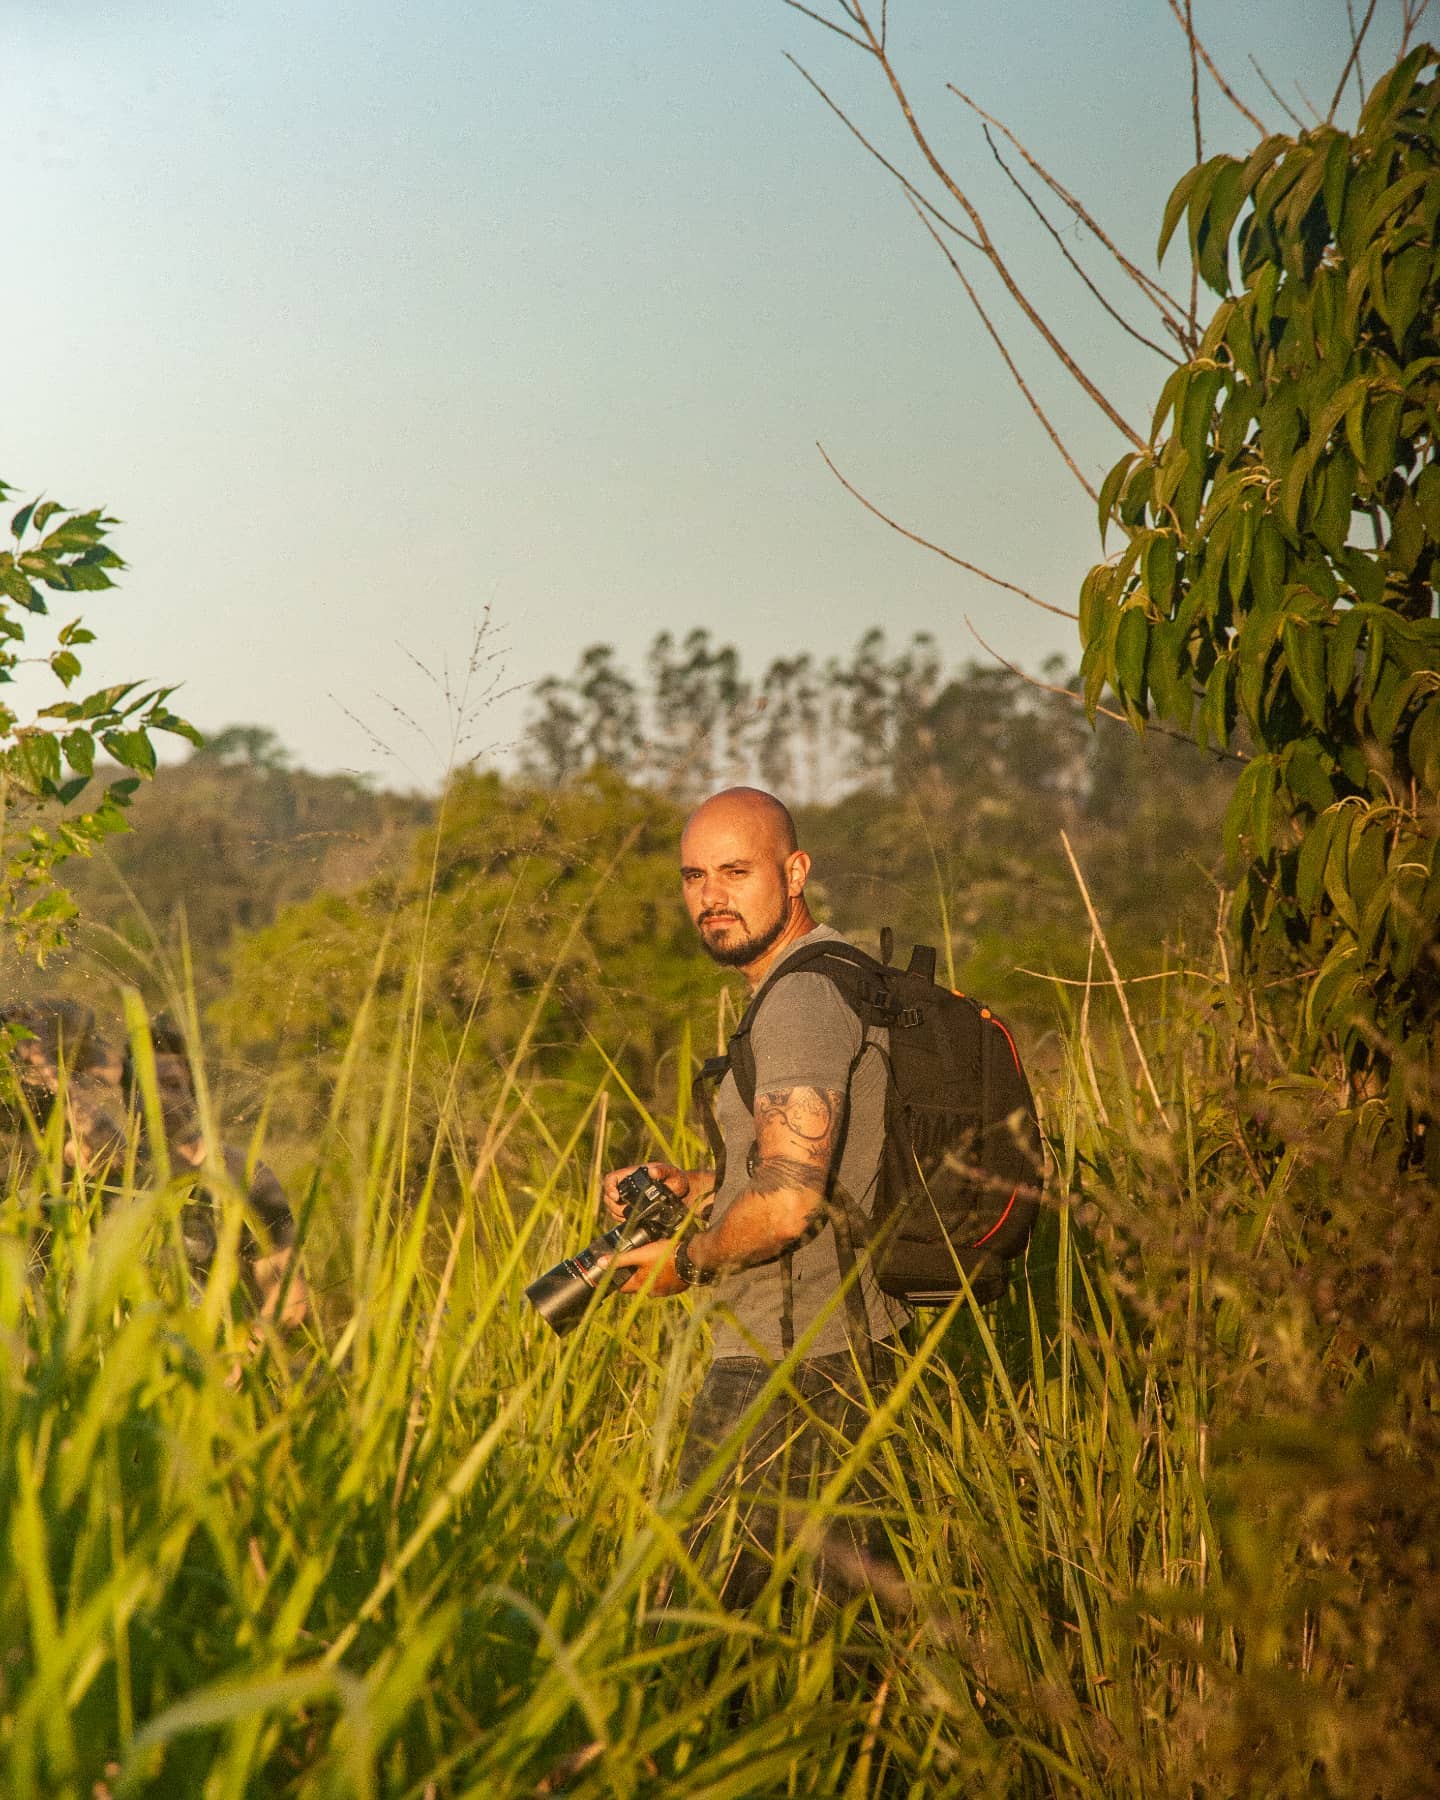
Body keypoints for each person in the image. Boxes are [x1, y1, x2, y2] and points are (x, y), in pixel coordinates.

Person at [602, 786, 908, 1609]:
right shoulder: (836, 976)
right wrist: (698, 1188)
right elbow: (818, 1168)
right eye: (694, 876)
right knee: (833, 1632)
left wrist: (686, 1263)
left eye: (736, 872)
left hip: (791, 1358)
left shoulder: (800, 1000)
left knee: (690, 1626)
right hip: (849, 1352)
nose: (711, 896)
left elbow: (788, 1205)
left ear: (795, 872)